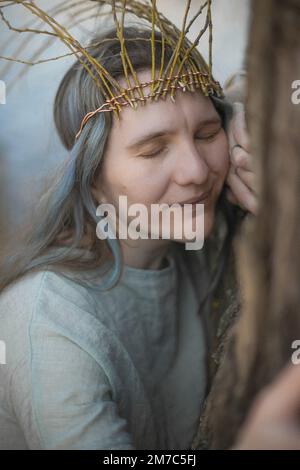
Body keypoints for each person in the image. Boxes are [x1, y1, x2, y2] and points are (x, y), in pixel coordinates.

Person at [1, 23, 298, 451]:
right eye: (154, 150)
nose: (196, 172)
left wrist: (246, 122)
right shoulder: (51, 327)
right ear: (92, 179)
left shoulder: (194, 248)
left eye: (206, 134)